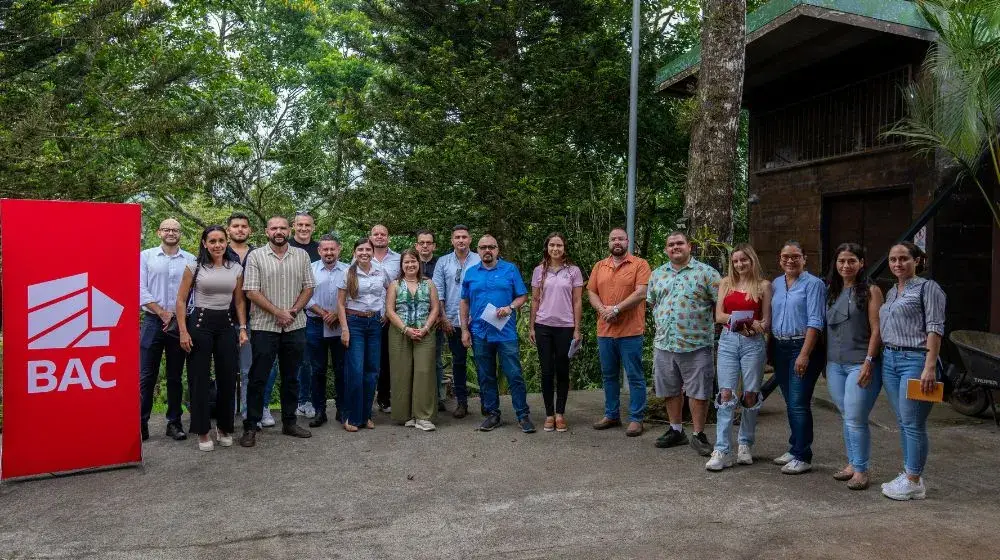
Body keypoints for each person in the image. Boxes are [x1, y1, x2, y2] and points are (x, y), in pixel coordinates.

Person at [239, 216, 315, 447]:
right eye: (274, 228)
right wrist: (277, 312)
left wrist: (291, 311)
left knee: (291, 377)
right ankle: (251, 426)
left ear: (289, 230)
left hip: (295, 325)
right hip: (264, 326)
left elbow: (309, 288)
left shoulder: (301, 256)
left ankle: (290, 422)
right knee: (258, 377)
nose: (279, 231)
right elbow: (251, 291)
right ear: (266, 231)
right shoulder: (256, 256)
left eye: (283, 228)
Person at [878, 242, 946, 501]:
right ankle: (909, 472)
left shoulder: (928, 288)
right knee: (903, 422)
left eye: (904, 258)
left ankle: (914, 480)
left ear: (917, 260)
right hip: (891, 359)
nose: (897, 264)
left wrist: (930, 366)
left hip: (915, 360)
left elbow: (935, 327)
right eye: (893, 259)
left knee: (913, 423)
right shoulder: (892, 291)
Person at [647, 232, 721, 455]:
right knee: (670, 388)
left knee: (699, 391)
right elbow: (653, 304)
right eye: (671, 244)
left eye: (680, 243)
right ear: (666, 249)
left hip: (696, 344)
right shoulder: (657, 274)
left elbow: (720, 306)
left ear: (690, 246)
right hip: (665, 343)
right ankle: (676, 430)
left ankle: (698, 434)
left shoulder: (707, 273)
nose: (675, 247)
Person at [175, 226, 248, 451]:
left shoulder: (235, 268)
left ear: (226, 242)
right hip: (199, 324)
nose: (217, 245)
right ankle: (203, 430)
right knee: (199, 379)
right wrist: (183, 331)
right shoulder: (194, 266)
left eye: (221, 240)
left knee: (228, 377)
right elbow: (180, 300)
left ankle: (224, 427)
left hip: (226, 324)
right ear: (205, 243)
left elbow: (239, 302)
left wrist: (242, 327)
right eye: (212, 241)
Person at [460, 235, 535, 433]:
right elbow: (464, 302)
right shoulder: (470, 273)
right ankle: (493, 414)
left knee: (514, 374)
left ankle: (522, 415)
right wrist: (464, 330)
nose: (487, 250)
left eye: (491, 247)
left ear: (497, 249)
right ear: (477, 250)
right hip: (480, 333)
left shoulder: (510, 269)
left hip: (505, 333)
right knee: (485, 375)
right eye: (483, 247)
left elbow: (523, 296)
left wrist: (510, 307)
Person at [706, 244, 770, 471]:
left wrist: (753, 325)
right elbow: (719, 315)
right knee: (725, 394)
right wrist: (741, 321)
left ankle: (745, 444)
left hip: (753, 343)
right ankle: (721, 449)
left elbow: (766, 323)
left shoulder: (763, 286)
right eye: (735, 261)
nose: (739, 264)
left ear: (752, 261)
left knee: (750, 394)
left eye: (744, 260)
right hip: (728, 340)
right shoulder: (726, 283)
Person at [825, 243, 884, 490]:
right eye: (841, 261)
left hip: (860, 363)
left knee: (856, 418)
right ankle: (852, 463)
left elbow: (877, 329)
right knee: (846, 415)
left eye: (851, 261)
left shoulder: (871, 291)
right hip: (834, 364)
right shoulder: (832, 291)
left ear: (861, 263)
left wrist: (869, 361)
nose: (846, 266)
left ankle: (861, 470)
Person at [588, 228, 651, 437]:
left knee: (634, 375)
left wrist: (616, 309)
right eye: (613, 239)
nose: (617, 242)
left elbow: (641, 292)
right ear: (609, 242)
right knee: (609, 376)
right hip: (605, 330)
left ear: (627, 241)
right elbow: (591, 291)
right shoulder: (600, 266)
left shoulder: (640, 264)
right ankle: (612, 414)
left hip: (631, 331)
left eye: (621, 239)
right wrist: (603, 310)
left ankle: (636, 418)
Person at [770, 241, 826, 474]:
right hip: (779, 346)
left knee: (799, 403)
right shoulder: (776, 283)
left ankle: (803, 455)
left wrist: (804, 354)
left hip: (802, 347)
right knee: (790, 402)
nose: (790, 261)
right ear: (780, 259)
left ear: (804, 258)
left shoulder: (814, 284)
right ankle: (795, 448)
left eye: (795, 256)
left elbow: (815, 321)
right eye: (785, 256)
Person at [138, 218, 195, 442]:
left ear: (180, 233)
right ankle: (141, 422)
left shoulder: (190, 259)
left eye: (175, 230)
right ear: (158, 232)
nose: (171, 232)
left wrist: (180, 317)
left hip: (179, 323)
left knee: (174, 375)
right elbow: (139, 287)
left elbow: (194, 292)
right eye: (167, 229)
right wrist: (161, 312)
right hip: (153, 320)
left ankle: (174, 422)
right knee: (146, 375)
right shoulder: (146, 256)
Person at [528, 233, 583, 432]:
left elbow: (577, 301)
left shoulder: (573, 271)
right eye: (552, 245)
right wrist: (531, 326)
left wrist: (577, 329)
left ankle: (560, 414)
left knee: (562, 370)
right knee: (546, 371)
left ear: (564, 247)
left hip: (566, 326)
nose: (555, 248)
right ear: (547, 247)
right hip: (543, 326)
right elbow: (534, 300)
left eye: (559, 245)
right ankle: (549, 414)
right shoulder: (539, 271)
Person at [337, 238, 389, 431]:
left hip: (375, 323)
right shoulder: (348, 273)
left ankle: (366, 415)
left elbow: (388, 291)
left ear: (373, 251)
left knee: (372, 371)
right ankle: (351, 416)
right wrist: (344, 329)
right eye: (360, 249)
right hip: (355, 323)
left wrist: (384, 312)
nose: (364, 252)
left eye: (368, 249)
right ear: (355, 252)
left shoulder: (380, 271)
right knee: (356, 371)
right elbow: (341, 304)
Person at [386, 249, 441, 430]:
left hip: (425, 332)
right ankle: (405, 415)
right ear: (401, 265)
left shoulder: (429, 283)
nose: (410, 265)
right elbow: (390, 311)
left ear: (419, 263)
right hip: (400, 332)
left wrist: (425, 328)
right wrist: (405, 329)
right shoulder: (395, 284)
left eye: (413, 261)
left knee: (424, 372)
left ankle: (423, 417)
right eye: (406, 262)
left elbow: (435, 308)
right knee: (402, 373)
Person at [432, 225, 481, 418]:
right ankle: (462, 403)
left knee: (482, 362)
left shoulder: (479, 259)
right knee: (458, 363)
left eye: (464, 237)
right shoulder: (443, 262)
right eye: (457, 237)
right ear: (452, 240)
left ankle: (488, 401)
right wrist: (443, 317)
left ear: (470, 240)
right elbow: (438, 291)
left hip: (478, 320)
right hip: (452, 320)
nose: (461, 240)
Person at [305, 235, 348, 428]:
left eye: (333, 249)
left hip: (341, 324)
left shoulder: (348, 270)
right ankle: (319, 411)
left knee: (342, 369)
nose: (329, 253)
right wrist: (324, 314)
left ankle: (342, 409)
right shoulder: (310, 269)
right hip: (315, 323)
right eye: (325, 249)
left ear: (339, 249)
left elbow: (354, 296)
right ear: (319, 251)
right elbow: (304, 295)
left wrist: (338, 315)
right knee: (318, 370)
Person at [224, 213, 261, 424]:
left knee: (249, 370)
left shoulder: (258, 254)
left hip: (254, 318)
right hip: (224, 318)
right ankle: (226, 414)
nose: (240, 229)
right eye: (235, 226)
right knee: (227, 370)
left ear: (250, 230)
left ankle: (250, 414)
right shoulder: (219, 250)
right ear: (229, 230)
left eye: (244, 226)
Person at [289, 212, 319, 419]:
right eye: (300, 225)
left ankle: (305, 400)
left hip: (311, 313)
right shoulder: (285, 246)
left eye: (307, 225)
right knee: (282, 361)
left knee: (307, 361)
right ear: (293, 227)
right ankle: (286, 402)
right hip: (285, 310)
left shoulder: (319, 250)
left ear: (313, 227)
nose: (303, 228)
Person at [371, 224, 401, 413]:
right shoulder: (362, 255)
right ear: (370, 237)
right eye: (376, 234)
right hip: (370, 315)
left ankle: (385, 397)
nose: (380, 237)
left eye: (383, 234)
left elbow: (402, 287)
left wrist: (391, 314)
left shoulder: (398, 259)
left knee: (388, 360)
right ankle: (367, 398)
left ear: (388, 237)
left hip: (393, 316)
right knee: (371, 359)